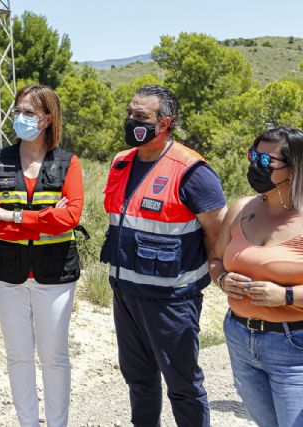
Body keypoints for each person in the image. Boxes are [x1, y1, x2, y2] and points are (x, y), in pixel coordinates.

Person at [100, 85, 227, 426]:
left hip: (172, 301)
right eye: (129, 114)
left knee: (183, 385)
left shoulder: (192, 171)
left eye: (140, 117)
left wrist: (215, 265)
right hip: (125, 294)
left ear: (165, 123)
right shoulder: (121, 162)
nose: (131, 122)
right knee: (139, 382)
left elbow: (218, 229)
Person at [0, 84, 84, 427]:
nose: (20, 118)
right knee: (18, 356)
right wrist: (45, 219)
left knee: (54, 357)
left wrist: (15, 216)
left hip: (54, 275)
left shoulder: (68, 163)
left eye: (29, 113)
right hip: (6, 274)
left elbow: (71, 218)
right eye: (18, 110)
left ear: (48, 118)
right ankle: (27, 422)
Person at [211, 126, 303, 427]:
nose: (256, 165)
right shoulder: (240, 209)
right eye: (254, 155)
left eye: (267, 161)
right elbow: (215, 260)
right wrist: (224, 280)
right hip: (240, 338)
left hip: (294, 347)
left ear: (296, 166)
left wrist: (286, 296)